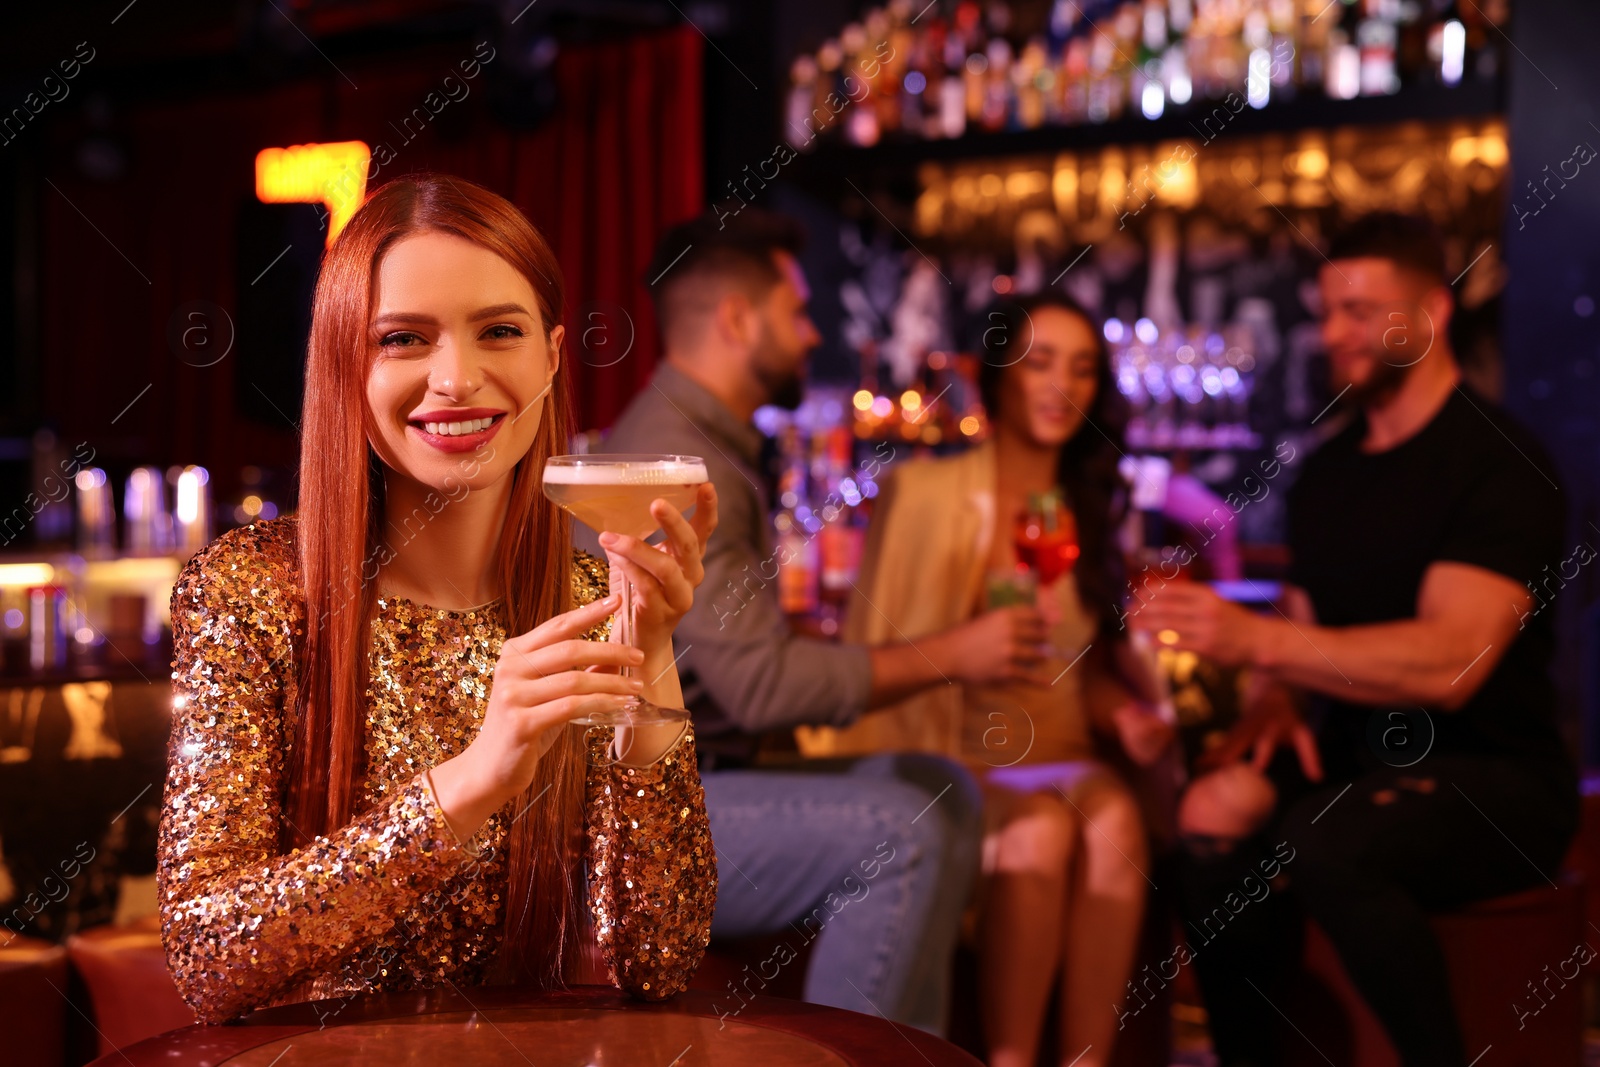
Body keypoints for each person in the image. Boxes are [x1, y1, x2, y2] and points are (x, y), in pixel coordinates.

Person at [157, 175, 718, 1023]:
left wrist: (652, 653)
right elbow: (206, 960)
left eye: (500, 330)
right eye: (404, 340)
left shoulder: (585, 596)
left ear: (554, 355)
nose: (457, 377)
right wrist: (467, 785)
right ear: (346, 360)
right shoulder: (250, 591)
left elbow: (662, 959)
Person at [1134, 212, 1578, 1067]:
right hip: (1354, 761)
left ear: (1433, 313)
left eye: (1360, 310)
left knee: (1326, 839)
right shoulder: (1329, 471)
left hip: (1498, 780)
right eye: (1327, 309)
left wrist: (1258, 644)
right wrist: (1273, 698)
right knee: (1204, 818)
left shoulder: (1498, 462)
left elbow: (1454, 663)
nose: (1332, 333)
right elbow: (1308, 619)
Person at [580, 206, 1029, 1036]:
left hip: (704, 771)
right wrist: (951, 653)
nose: (814, 331)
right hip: (633, 808)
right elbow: (758, 686)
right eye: (796, 310)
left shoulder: (698, 441)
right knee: (910, 826)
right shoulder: (680, 461)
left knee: (946, 788)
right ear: (737, 320)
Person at [804, 294, 1177, 1067]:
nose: (1060, 386)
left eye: (1081, 368)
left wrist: (1126, 712)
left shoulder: (1091, 506)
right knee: (1039, 831)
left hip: (1069, 745)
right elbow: (887, 654)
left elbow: (1093, 665)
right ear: (999, 375)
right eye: (1040, 362)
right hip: (963, 753)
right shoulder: (928, 495)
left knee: (1115, 822)